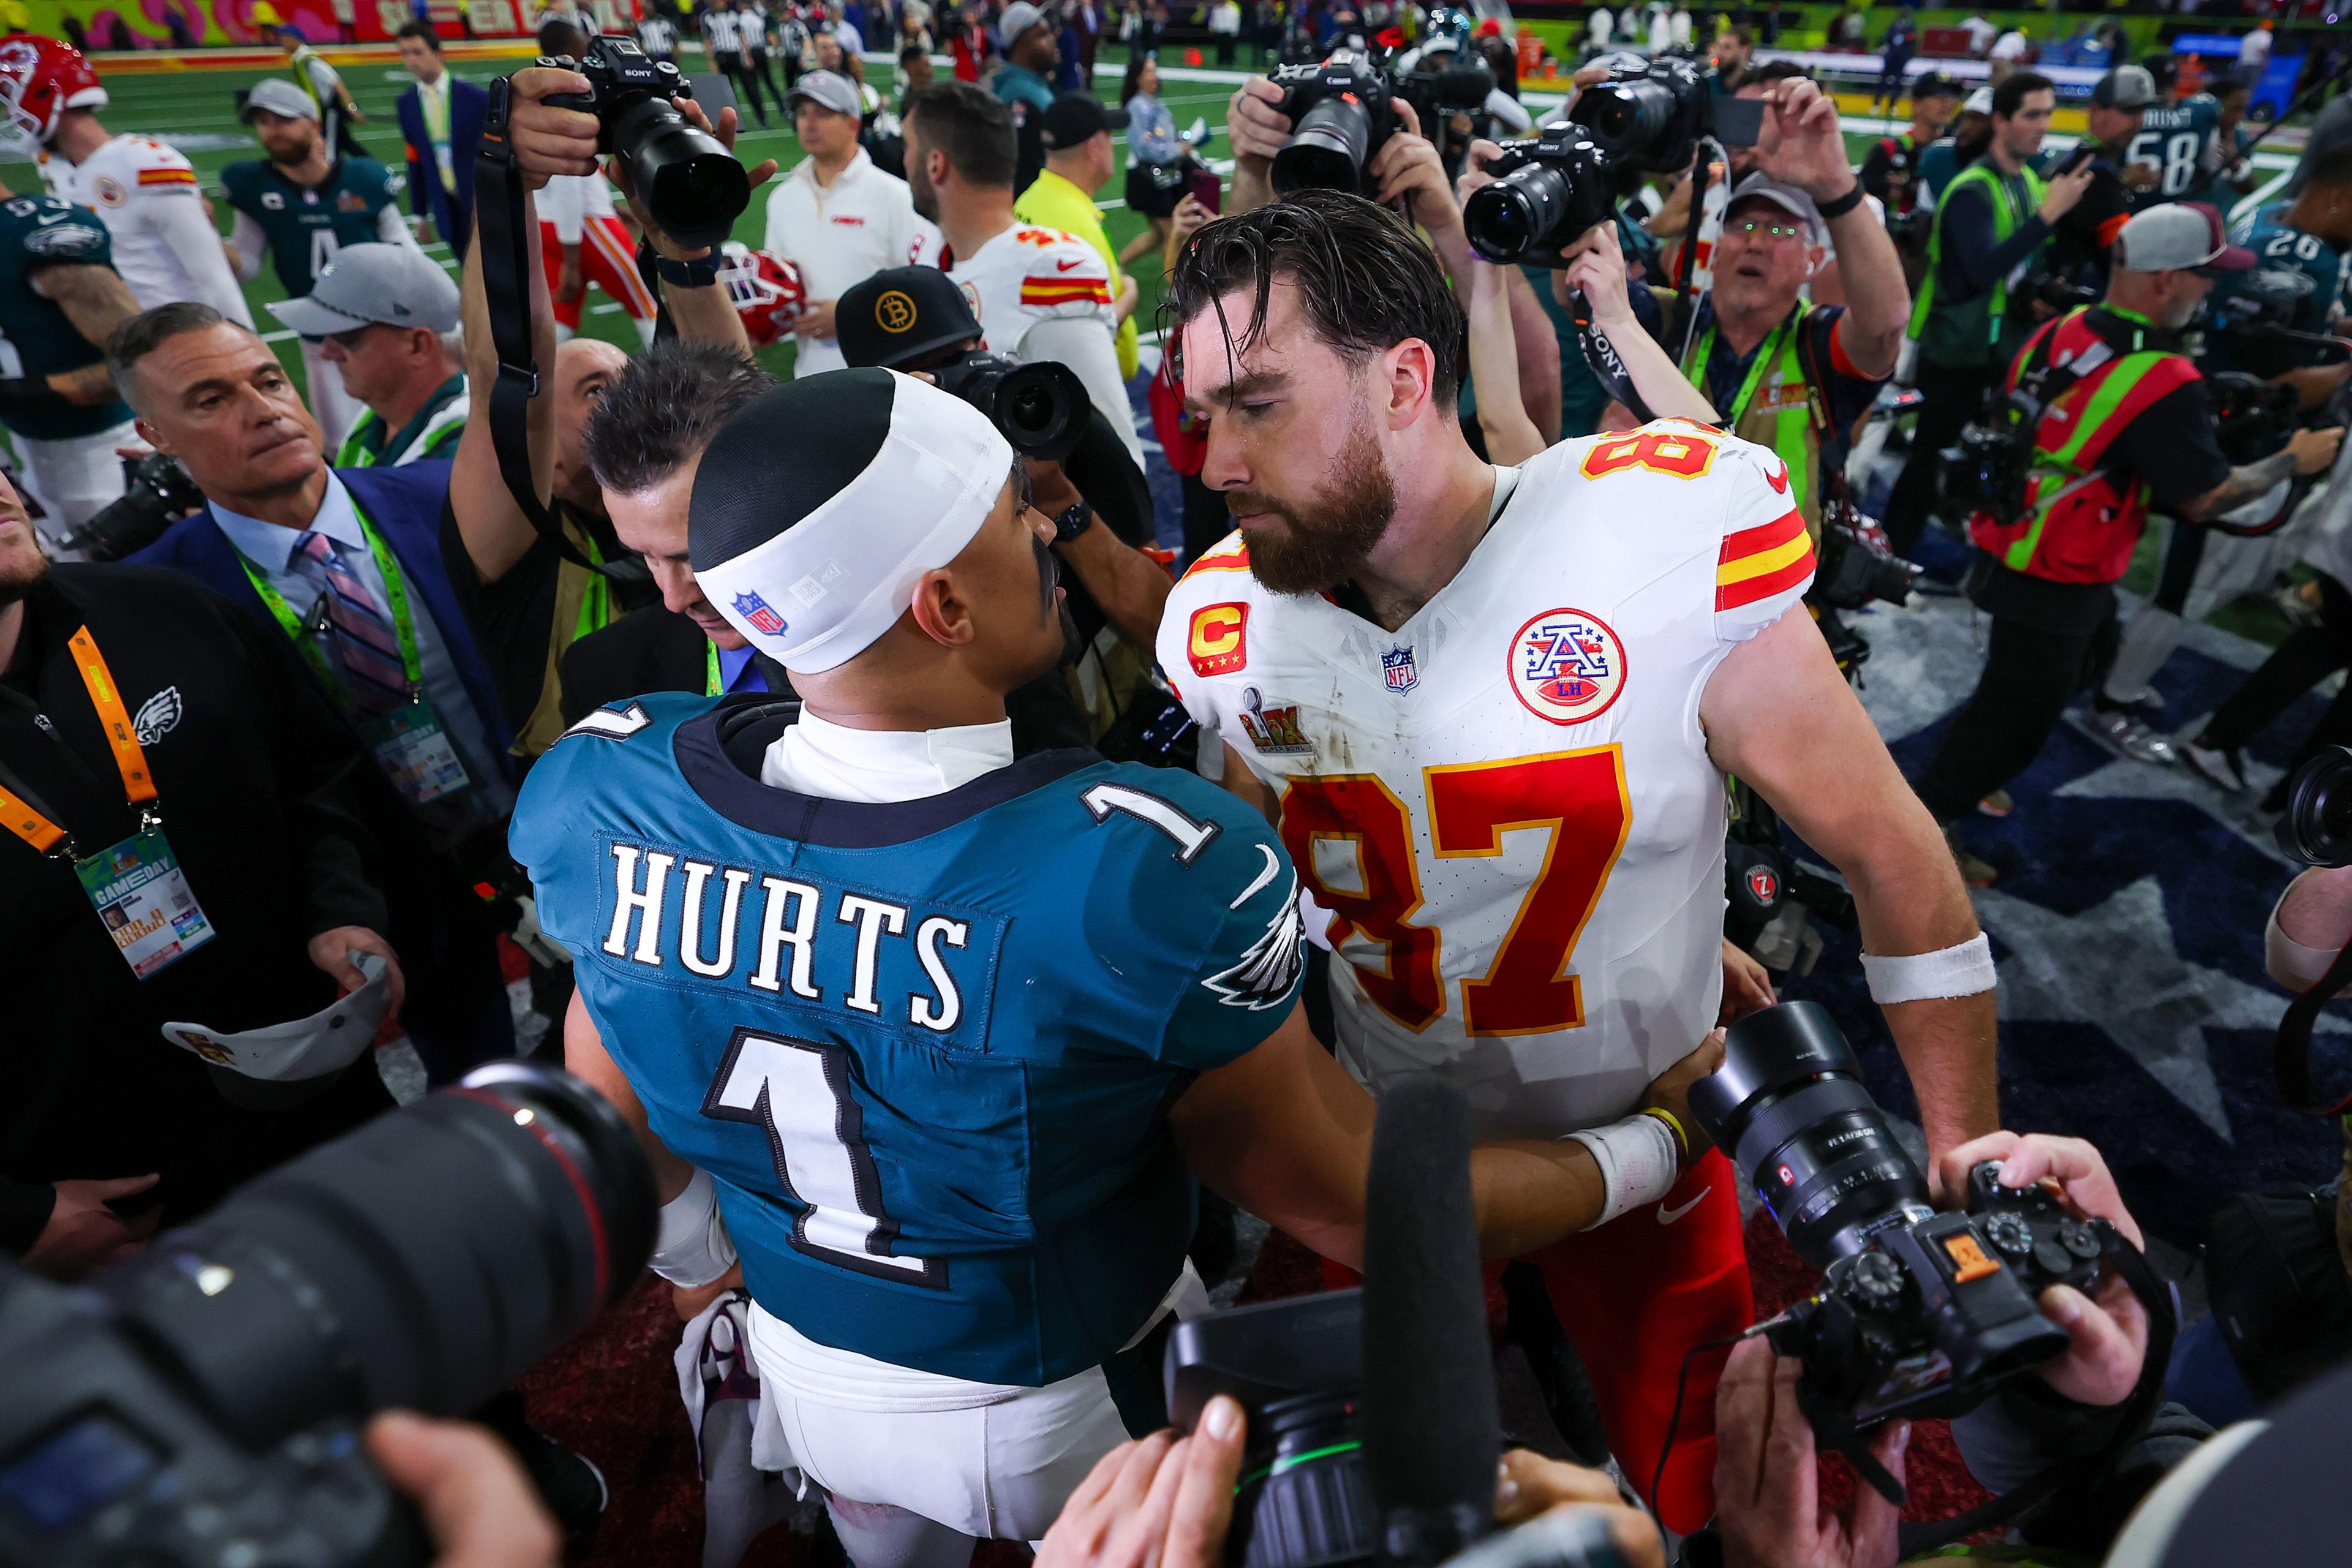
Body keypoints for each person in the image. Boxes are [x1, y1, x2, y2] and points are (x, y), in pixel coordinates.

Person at [515, 363, 1691, 1567]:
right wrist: (1657, 1144)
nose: (1039, 527)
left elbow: (624, 1124)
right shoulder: (1134, 868)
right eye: (1008, 515)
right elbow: (1357, 1198)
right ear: (944, 606)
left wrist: (720, 1271)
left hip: (812, 1370)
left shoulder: (609, 790)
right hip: (1059, 1398)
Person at [1158, 191, 1999, 1532]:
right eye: (1205, 411)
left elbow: (1890, 849)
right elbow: (1277, 864)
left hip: (1652, 1117)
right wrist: (1613, 896)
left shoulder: (1649, 541)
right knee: (1401, 1487)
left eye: (1255, 403)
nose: (1213, 459)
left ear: (1404, 382)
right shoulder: (1224, 623)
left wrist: (1968, 1157)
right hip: (1403, 1129)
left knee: (1714, 1478)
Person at [0, 468, 400, 1275]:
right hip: (116, 1207)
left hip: (314, 1095)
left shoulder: (167, 610)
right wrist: (20, 1217)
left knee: (445, 1339)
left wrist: (341, 911)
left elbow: (314, 778)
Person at [1910, 205, 2345, 884]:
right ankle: (1930, 824)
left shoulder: (2063, 329)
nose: (2212, 291)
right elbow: (2204, 496)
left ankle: (1972, 777)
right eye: (2206, 277)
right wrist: (2294, 459)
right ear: (2168, 279)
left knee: (2061, 673)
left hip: (2012, 541)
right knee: (2014, 717)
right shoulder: (2164, 377)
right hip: (2058, 572)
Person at [455, 61, 771, 756]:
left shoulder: (715, 522)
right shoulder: (516, 546)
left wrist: (686, 256)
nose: (628, 397)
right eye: (595, 392)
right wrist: (505, 177)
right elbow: (510, 378)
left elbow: (729, 402)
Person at [1883, 72, 2094, 561]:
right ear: (2001, 121)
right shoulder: (1972, 188)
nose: (2043, 126)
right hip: (1956, 350)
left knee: (1987, 461)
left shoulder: (2025, 182)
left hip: (1999, 349)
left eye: (2047, 114)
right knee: (1927, 462)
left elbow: (2015, 272)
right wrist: (2047, 219)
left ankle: (1956, 551)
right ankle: (1888, 562)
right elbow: (1980, 270)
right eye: (2031, 115)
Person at [902, 80, 1143, 468]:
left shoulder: (1048, 269)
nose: (903, 160)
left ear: (935, 164)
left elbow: (1111, 448)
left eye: (908, 147)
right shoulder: (927, 253)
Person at [1679, 137, 1910, 534]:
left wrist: (1836, 184)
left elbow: (1886, 328)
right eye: (1744, 226)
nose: (1755, 242)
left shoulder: (1819, 342)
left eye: (1780, 230)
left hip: (1773, 588)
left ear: (1814, 261)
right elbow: (1577, 290)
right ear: (1716, 249)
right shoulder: (1670, 323)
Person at [221, 78, 421, 450]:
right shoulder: (256, 185)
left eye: (283, 120)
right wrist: (203, 236)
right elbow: (246, 265)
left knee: (405, 429)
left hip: (379, 329)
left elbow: (406, 255)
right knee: (339, 444)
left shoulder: (364, 178)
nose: (272, 132)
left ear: (313, 123)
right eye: (263, 122)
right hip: (320, 339)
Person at [6, 39, 252, 330]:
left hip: (182, 338)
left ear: (44, 92)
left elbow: (213, 277)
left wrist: (250, 355)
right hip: (125, 342)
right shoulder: (54, 164)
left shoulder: (142, 164)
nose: (10, 114)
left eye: (9, 97)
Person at [0, 181, 140, 549]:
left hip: (103, 453)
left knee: (135, 578)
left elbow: (140, 362)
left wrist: (21, 393)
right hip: (28, 448)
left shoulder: (35, 235)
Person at [761, 69, 922, 379]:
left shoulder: (894, 195)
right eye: (803, 112)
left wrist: (852, 315)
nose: (808, 122)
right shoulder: (781, 199)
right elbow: (779, 286)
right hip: (810, 377)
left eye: (823, 113)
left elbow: (917, 286)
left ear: (853, 123)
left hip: (885, 375)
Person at [267, 243, 467, 469]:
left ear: (418, 346)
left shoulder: (461, 457)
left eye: (347, 337)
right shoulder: (380, 417)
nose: (327, 351)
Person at [1015, 92, 1140, 383]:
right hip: (1086, 386)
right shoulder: (1078, 228)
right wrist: (1130, 294)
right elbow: (1098, 324)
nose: (1113, 145)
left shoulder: (1028, 201)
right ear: (1095, 147)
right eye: (1109, 136)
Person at [2043, 65, 2157, 297]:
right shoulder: (2096, 174)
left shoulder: (2081, 159)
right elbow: (2122, 256)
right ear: (2096, 110)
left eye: (2141, 112)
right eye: (2127, 112)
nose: (2137, 123)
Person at [393, 20, 487, 258]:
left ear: (437, 53)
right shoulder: (406, 104)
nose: (411, 60)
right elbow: (415, 162)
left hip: (482, 204)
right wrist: (419, 215)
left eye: (417, 52)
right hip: (446, 206)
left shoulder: (475, 99)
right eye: (404, 53)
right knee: (466, 271)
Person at [1115, 55, 1185, 270]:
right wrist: (1177, 149)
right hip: (1146, 176)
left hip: (1156, 174)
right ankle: (1174, 289)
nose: (1155, 77)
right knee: (1173, 233)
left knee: (1158, 235)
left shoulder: (1153, 103)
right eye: (1149, 72)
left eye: (1155, 71)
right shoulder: (1138, 106)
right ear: (1138, 78)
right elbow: (1143, 148)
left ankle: (1116, 267)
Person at [990, 0, 1060, 194]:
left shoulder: (1030, 85)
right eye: (1042, 35)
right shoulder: (1020, 94)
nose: (1053, 39)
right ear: (1020, 44)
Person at [277, 22, 366, 159]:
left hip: (331, 111)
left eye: (284, 37)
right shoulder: (300, 60)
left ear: (294, 38)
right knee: (348, 144)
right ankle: (378, 170)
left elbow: (338, 85)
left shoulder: (310, 62)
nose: (281, 41)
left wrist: (352, 108)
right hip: (325, 110)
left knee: (329, 150)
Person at [704, 0, 771, 129]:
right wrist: (712, 60)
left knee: (751, 88)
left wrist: (747, 54)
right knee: (728, 92)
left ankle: (762, 118)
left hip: (737, 54)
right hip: (722, 56)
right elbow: (707, 40)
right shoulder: (708, 18)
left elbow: (742, 35)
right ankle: (734, 122)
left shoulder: (733, 15)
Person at [1988, 21, 2029, 86]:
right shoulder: (2021, 38)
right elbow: (2020, 55)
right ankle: (2003, 93)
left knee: (1996, 75)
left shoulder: (2008, 35)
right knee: (2007, 77)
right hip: (2004, 58)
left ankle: (1991, 89)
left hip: (1993, 57)